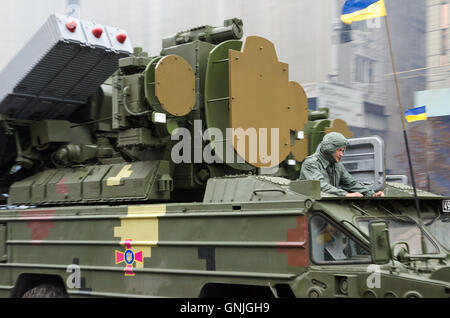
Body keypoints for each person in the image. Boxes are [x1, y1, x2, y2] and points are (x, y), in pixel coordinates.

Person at [300, 132, 385, 197]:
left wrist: (371, 194)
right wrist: (345, 195)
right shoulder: (311, 163)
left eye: (343, 150)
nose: (342, 154)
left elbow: (351, 183)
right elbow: (320, 186)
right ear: (329, 148)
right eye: (339, 150)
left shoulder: (337, 165)